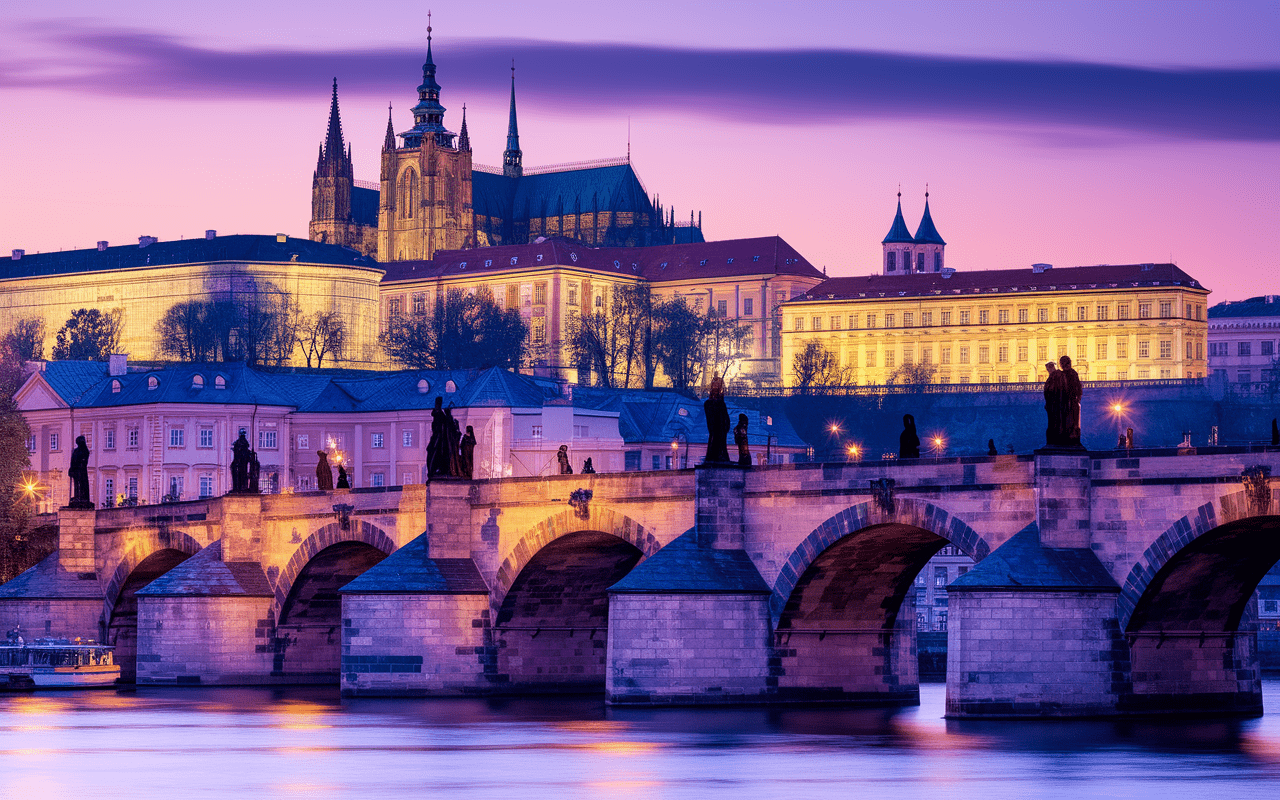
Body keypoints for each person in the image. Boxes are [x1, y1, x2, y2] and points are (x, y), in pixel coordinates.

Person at [703, 374, 732, 464]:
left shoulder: (720, 403)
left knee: (721, 444)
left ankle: (719, 457)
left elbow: (725, 415)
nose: (716, 389)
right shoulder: (710, 403)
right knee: (715, 442)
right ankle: (715, 457)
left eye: (718, 386)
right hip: (716, 428)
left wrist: (726, 425)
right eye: (715, 386)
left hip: (721, 428)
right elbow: (712, 417)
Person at [1059, 355, 1083, 447]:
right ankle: (1069, 436)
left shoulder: (1071, 373)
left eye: (1064, 363)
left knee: (1071, 421)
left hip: (1070, 400)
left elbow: (1078, 387)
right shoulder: (1063, 374)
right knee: (1067, 420)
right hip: (1067, 401)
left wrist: (1077, 398)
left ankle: (1071, 436)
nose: (1063, 365)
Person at [1043, 362, 1066, 447]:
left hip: (1055, 404)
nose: (1048, 371)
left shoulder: (1057, 376)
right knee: (1053, 423)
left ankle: (1054, 441)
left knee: (1055, 423)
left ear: (1052, 367)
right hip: (1052, 404)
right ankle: (1053, 440)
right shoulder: (1054, 376)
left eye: (1048, 369)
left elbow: (1056, 390)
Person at [427, 397, 450, 478]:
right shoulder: (438, 414)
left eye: (438, 404)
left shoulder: (440, 414)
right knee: (433, 452)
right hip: (437, 437)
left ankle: (438, 469)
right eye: (437, 404)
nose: (437, 405)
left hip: (440, 438)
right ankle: (433, 470)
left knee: (438, 453)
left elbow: (444, 425)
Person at [68, 435, 91, 508]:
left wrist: (78, 465)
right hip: (76, 471)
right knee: (76, 485)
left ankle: (83, 498)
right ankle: (77, 496)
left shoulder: (85, 451)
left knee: (82, 485)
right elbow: (72, 461)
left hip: (81, 471)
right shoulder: (75, 451)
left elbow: (84, 461)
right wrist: (71, 469)